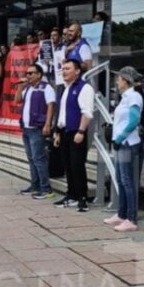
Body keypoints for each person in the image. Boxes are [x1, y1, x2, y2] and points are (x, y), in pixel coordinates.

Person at [105, 66, 144, 232]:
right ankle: (122, 213)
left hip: (128, 143)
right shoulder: (125, 97)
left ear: (126, 80)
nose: (117, 81)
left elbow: (134, 120)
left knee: (127, 181)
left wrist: (120, 138)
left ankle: (131, 218)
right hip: (121, 143)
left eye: (119, 78)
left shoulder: (134, 96)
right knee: (121, 180)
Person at [53, 59, 95, 212]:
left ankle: (82, 198)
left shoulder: (84, 88)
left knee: (77, 165)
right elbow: (61, 113)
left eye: (68, 68)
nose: (64, 71)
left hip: (77, 131)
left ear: (77, 71)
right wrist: (57, 132)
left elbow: (86, 112)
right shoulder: (65, 89)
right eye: (63, 68)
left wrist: (81, 131)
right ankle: (71, 195)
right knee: (68, 165)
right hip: (64, 131)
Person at [16, 63, 56, 200]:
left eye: (31, 73)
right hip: (26, 128)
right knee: (31, 159)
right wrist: (20, 87)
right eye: (27, 73)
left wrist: (47, 124)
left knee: (39, 159)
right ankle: (35, 185)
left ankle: (46, 188)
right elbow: (17, 100)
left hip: (37, 128)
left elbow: (51, 105)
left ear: (39, 75)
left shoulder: (46, 88)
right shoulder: (27, 88)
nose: (28, 75)